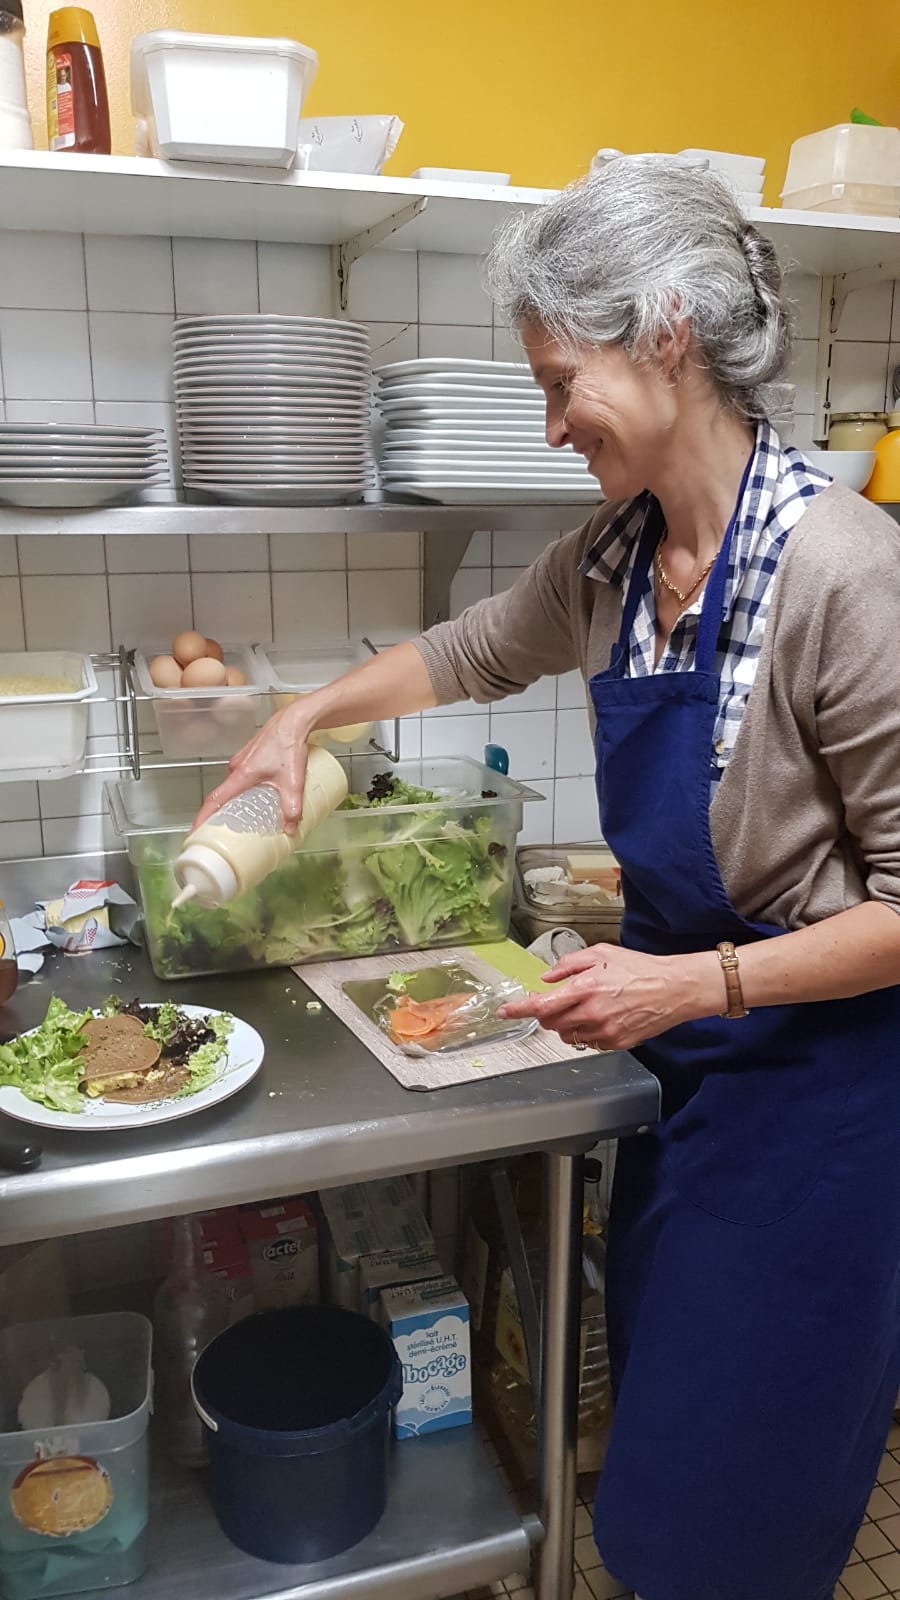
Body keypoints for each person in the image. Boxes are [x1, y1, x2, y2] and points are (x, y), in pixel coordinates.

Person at [194, 159, 900, 1600]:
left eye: (561, 381)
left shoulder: (846, 573)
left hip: (823, 1113)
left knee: (734, 1510)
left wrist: (690, 982)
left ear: (669, 333)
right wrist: (299, 720)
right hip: (683, 1083)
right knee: (665, 1467)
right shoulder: (615, 559)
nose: (551, 422)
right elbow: (465, 653)